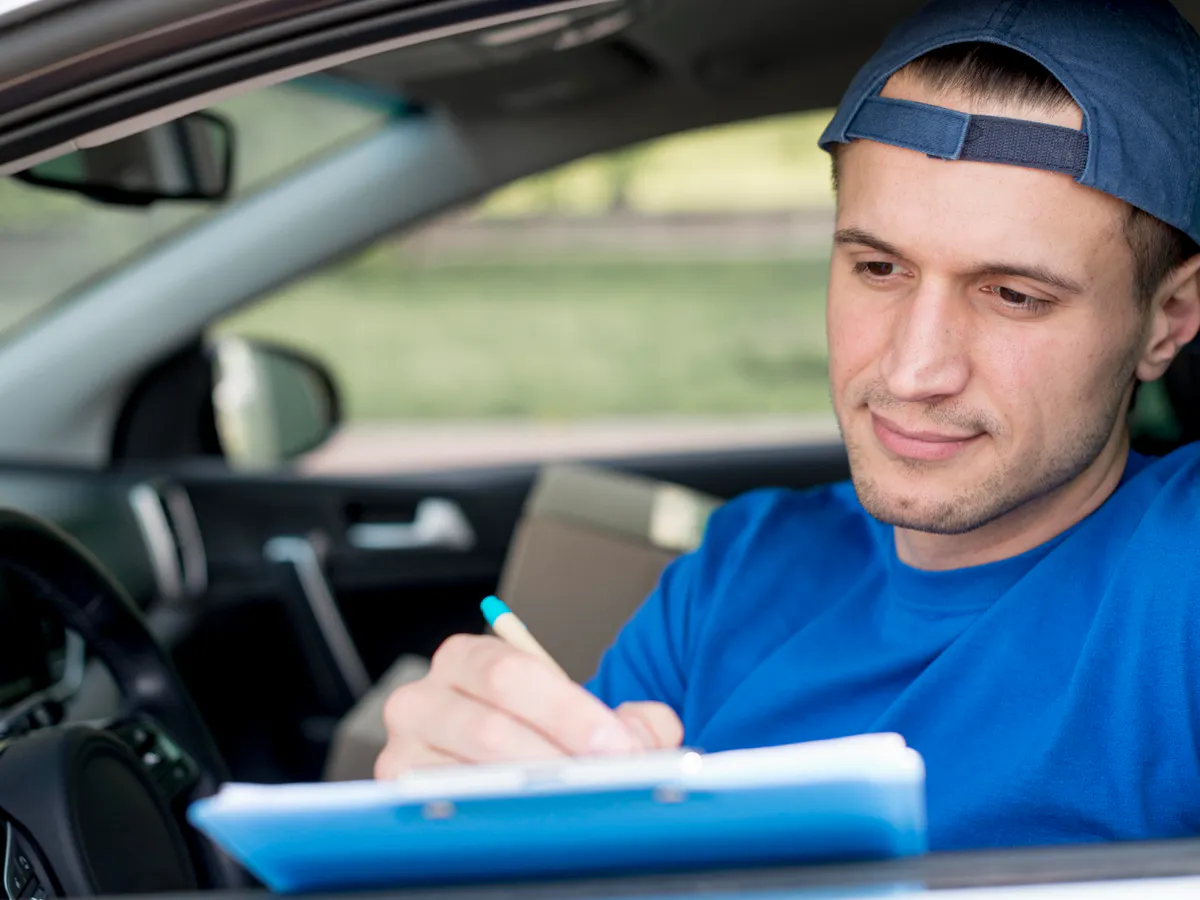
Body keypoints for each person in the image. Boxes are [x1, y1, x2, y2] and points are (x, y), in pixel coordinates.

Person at [375, 0, 1200, 851]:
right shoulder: (739, 569)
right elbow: (571, 851)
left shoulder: (1178, 579)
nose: (915, 372)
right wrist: (463, 822)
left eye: (1015, 296)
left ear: (1169, 317)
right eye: (879, 268)